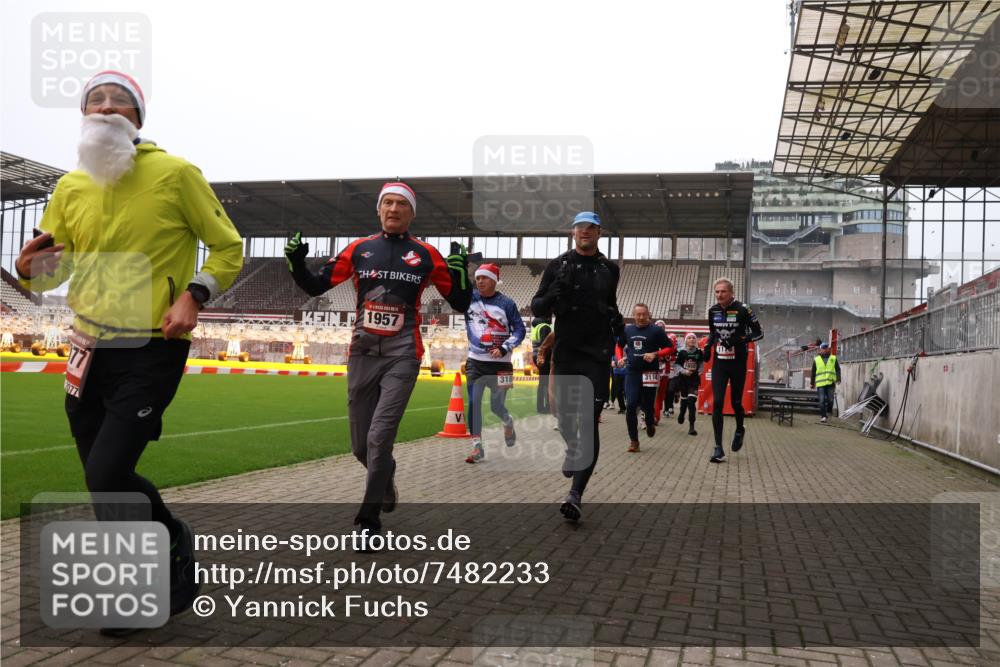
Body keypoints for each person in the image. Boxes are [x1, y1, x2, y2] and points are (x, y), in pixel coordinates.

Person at [15, 71, 244, 632]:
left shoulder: (176, 174)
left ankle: (171, 536)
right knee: (100, 483)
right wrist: (28, 270)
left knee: (109, 468)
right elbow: (56, 270)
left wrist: (194, 295)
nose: (108, 105)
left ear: (137, 117)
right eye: (97, 99)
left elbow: (228, 247)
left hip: (150, 345)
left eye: (121, 100)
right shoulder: (70, 188)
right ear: (84, 114)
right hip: (86, 347)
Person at [285, 181, 472, 541]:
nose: (393, 209)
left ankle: (369, 520)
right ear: (378, 210)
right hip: (362, 352)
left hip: (404, 353)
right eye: (387, 202)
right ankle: (385, 478)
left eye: (401, 204)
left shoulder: (427, 254)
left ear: (411, 213)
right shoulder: (359, 249)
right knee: (360, 446)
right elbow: (314, 286)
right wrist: (294, 262)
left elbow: (462, 303)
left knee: (379, 436)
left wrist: (459, 270)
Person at [531, 211, 624, 522]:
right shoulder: (558, 265)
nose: (585, 232)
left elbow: (611, 305)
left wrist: (616, 318)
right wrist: (553, 295)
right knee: (567, 419)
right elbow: (537, 307)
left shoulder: (610, 269)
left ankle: (576, 494)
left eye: (591, 227)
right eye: (580, 227)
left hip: (597, 354)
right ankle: (572, 446)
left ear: (599, 232)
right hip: (568, 352)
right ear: (573, 232)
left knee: (589, 420)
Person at [462, 263, 526, 463]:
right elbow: (455, 289)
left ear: (495, 280)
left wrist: (505, 348)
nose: (480, 281)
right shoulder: (469, 299)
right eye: (478, 278)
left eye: (485, 277)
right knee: (474, 403)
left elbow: (520, 330)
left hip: (502, 365)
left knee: (496, 406)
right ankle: (477, 447)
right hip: (476, 362)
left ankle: (508, 422)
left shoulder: (507, 304)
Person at [705, 277, 763, 463]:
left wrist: (738, 340)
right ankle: (718, 448)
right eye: (717, 292)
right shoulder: (712, 311)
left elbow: (759, 333)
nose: (719, 295)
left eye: (723, 291)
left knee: (736, 402)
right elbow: (713, 333)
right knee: (718, 402)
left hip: (738, 362)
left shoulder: (743, 309)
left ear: (731, 293)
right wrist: (708, 346)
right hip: (720, 363)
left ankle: (740, 428)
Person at [618, 303, 673, 453]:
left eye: (644, 314)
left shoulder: (656, 331)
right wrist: (620, 358)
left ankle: (650, 423)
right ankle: (634, 441)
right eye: (638, 314)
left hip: (650, 372)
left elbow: (670, 348)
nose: (641, 317)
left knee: (648, 407)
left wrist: (655, 354)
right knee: (631, 405)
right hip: (632, 372)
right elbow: (619, 345)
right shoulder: (627, 329)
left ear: (649, 314)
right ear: (633, 315)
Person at [675, 333, 705, 435]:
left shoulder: (699, 352)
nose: (692, 340)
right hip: (683, 380)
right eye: (689, 338)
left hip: (694, 380)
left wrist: (699, 372)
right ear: (686, 340)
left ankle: (692, 427)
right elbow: (677, 365)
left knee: (691, 402)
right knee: (684, 401)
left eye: (693, 338)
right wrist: (684, 371)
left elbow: (701, 364)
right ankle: (682, 413)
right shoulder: (682, 352)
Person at [810, 342, 841, 423]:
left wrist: (838, 379)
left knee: (831, 400)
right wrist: (812, 383)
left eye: (826, 348)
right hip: (820, 384)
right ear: (820, 350)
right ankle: (823, 416)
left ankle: (828, 411)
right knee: (822, 400)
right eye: (823, 348)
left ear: (828, 349)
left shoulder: (833, 358)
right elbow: (813, 372)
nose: (825, 349)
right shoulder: (817, 359)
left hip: (830, 383)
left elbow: (837, 369)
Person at [530, 317, 553, 414]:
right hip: (544, 357)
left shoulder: (537, 327)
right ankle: (547, 407)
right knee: (547, 383)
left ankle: (540, 407)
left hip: (536, 355)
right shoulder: (545, 327)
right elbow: (546, 345)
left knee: (542, 383)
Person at [610, 342, 627, 413]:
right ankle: (622, 407)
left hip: (627, 372)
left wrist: (624, 359)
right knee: (618, 391)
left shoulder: (629, 343)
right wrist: (612, 361)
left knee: (627, 390)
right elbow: (612, 355)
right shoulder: (616, 345)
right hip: (616, 371)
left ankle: (630, 406)